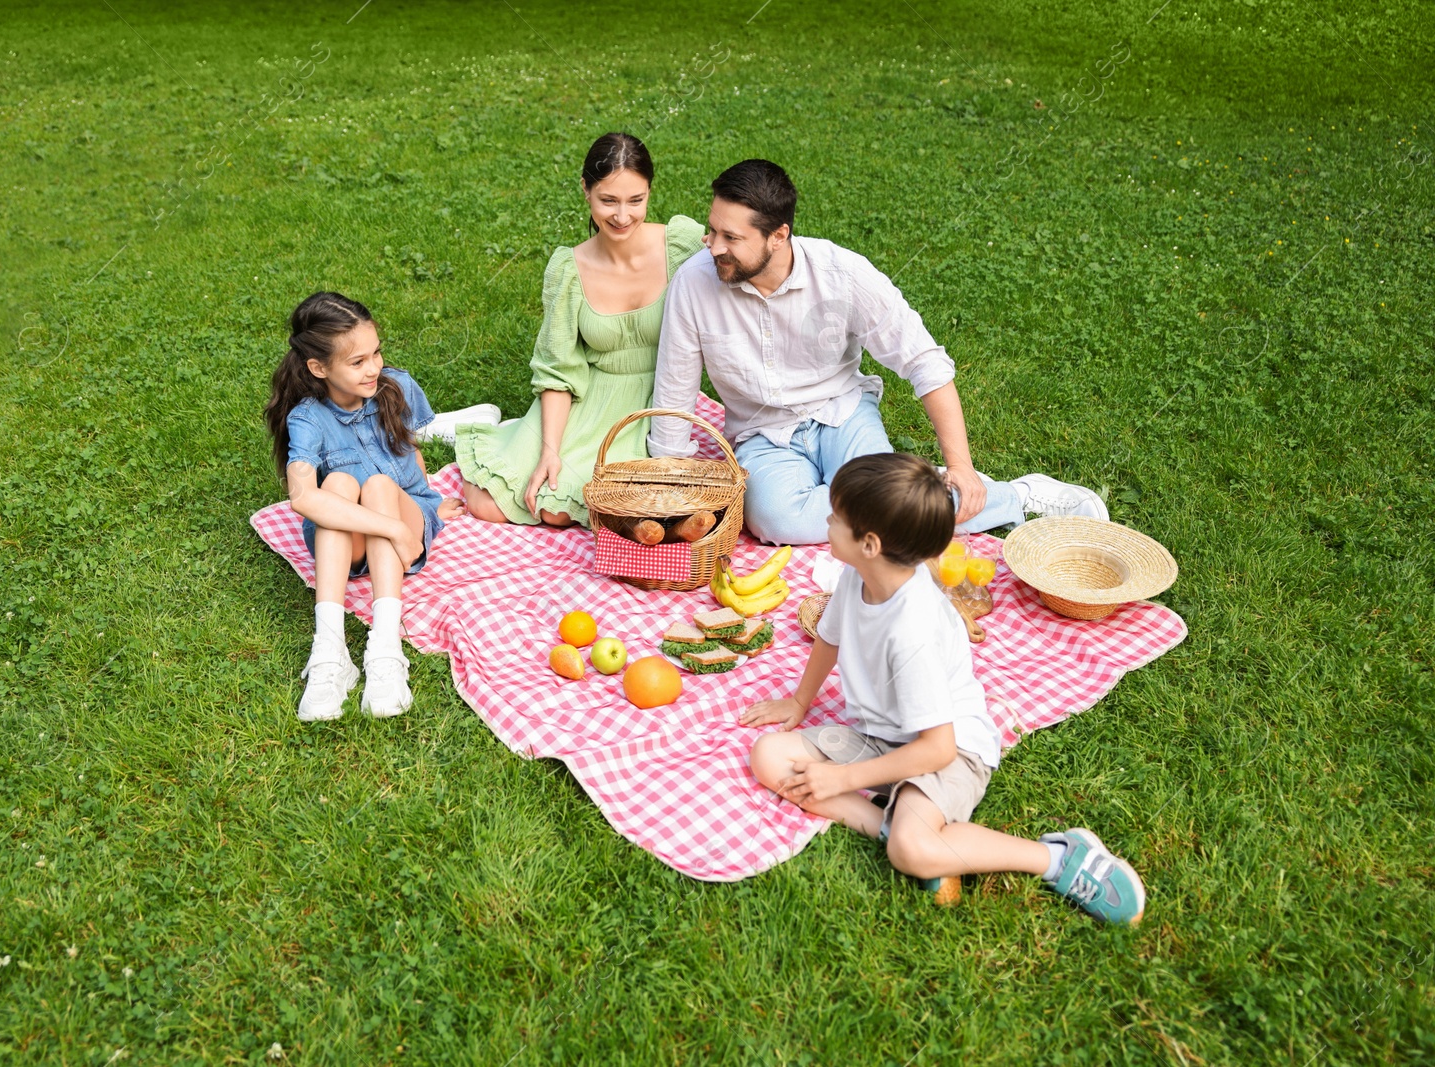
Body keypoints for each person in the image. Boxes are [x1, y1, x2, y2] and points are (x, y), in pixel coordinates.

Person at [741, 454, 1145, 923]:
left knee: (911, 852)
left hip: (949, 751)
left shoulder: (912, 632)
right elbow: (829, 637)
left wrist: (841, 779)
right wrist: (798, 701)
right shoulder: (860, 576)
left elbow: (937, 750)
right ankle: (898, 825)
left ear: (869, 543)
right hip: (882, 737)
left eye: (835, 518)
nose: (827, 523)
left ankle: (1059, 857)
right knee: (769, 755)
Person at [648, 159, 1108, 546]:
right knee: (777, 522)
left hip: (842, 413)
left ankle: (1015, 495)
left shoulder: (843, 274)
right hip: (761, 434)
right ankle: (906, 496)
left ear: (778, 235)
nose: (713, 247)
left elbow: (924, 361)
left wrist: (962, 468)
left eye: (731, 237)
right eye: (712, 231)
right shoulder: (694, 282)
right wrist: (666, 496)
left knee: (879, 506)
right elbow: (674, 390)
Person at [458, 132, 706, 526]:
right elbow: (559, 367)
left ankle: (517, 433)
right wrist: (549, 450)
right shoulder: (568, 271)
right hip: (588, 396)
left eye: (635, 200)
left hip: (658, 399)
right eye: (608, 200)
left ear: (649, 192)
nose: (622, 216)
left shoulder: (683, 245)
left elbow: (744, 258)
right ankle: (509, 434)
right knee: (505, 504)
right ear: (586, 191)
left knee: (606, 510)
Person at [265, 292, 464, 722]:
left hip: (403, 514)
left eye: (376, 353)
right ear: (319, 369)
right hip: (355, 543)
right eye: (357, 362)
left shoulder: (396, 386)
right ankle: (329, 652)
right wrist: (392, 529)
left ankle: (385, 650)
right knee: (335, 483)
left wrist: (426, 506)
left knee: (377, 483)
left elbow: (411, 449)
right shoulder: (308, 417)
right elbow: (302, 498)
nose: (373, 367)